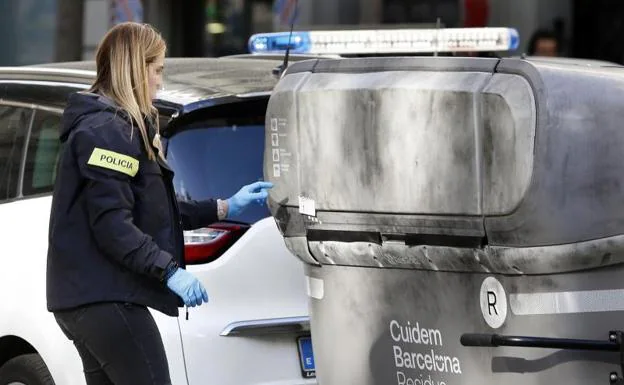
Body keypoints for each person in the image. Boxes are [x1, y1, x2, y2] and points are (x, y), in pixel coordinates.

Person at [46, 22, 272, 385]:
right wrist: (169, 271)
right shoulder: (107, 132)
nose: (159, 82)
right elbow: (112, 225)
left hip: (91, 297)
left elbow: (152, 211)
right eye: (157, 71)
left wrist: (226, 206)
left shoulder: (114, 128)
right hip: (105, 297)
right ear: (136, 69)